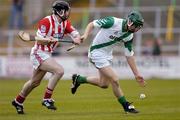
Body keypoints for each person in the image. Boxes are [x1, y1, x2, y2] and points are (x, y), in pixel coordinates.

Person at [12, 0, 81, 114]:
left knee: (34, 82)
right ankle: (47, 99)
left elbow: (75, 33)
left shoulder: (65, 23)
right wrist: (48, 41)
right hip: (38, 53)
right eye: (67, 11)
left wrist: (77, 38)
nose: (68, 13)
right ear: (60, 11)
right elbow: (40, 40)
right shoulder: (46, 21)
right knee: (59, 71)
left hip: (47, 54)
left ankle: (18, 101)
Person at [71, 10, 146, 114]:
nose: (136, 29)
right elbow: (91, 24)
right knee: (114, 79)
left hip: (107, 55)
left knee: (104, 84)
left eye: (138, 27)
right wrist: (85, 35)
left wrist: (137, 74)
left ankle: (79, 79)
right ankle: (126, 106)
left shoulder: (129, 35)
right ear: (130, 22)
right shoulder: (113, 22)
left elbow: (129, 55)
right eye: (136, 26)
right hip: (96, 52)